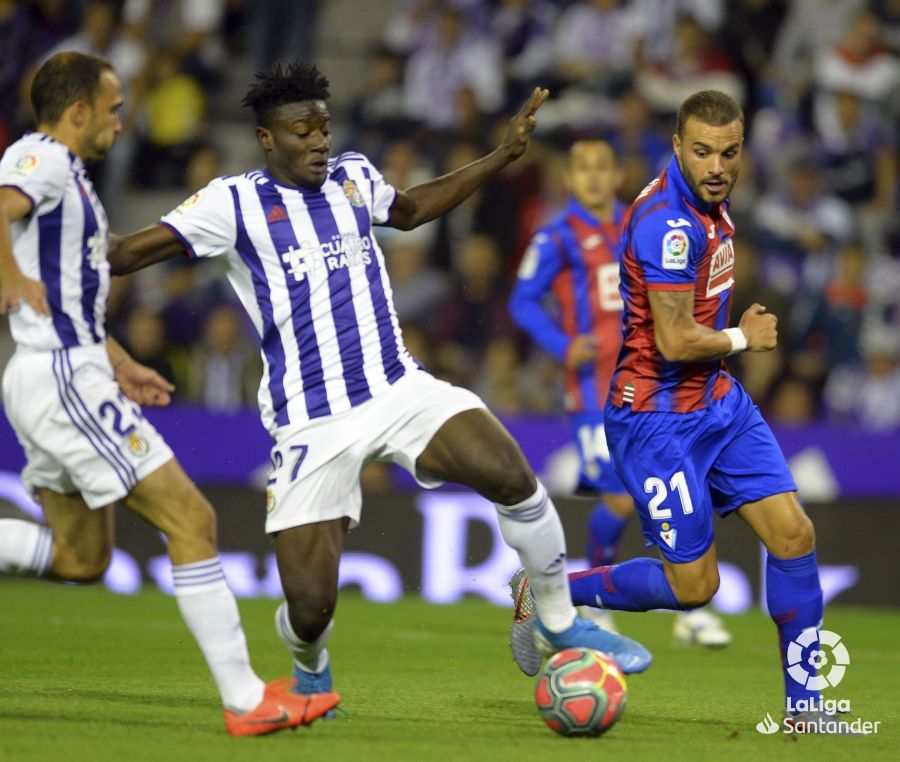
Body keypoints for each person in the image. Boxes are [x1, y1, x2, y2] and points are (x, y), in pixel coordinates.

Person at [107, 62, 653, 706]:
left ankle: (558, 620)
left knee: (509, 470)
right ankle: (309, 660)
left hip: (397, 389)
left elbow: (416, 207)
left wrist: (502, 155)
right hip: (312, 419)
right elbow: (123, 254)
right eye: (301, 130)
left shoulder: (354, 177)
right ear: (266, 140)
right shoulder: (231, 203)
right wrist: (49, 228)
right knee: (310, 608)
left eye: (323, 128)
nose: (318, 141)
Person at [0, 51, 338, 736]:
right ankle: (246, 699)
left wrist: (118, 360)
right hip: (62, 376)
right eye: (115, 107)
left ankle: (247, 695)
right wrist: (7, 274)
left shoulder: (72, 186)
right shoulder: (45, 159)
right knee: (191, 519)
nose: (125, 121)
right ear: (78, 112)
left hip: (65, 367)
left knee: (82, 559)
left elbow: (69, 292)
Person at [510, 91, 831, 730]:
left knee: (795, 535)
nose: (717, 166)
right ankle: (545, 593)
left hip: (717, 404)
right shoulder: (669, 223)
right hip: (654, 420)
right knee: (696, 589)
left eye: (729, 153)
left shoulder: (709, 201)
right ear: (678, 147)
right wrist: (745, 338)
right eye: (703, 152)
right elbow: (674, 339)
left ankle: (808, 710)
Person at [509, 139, 730, 650]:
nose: (591, 177)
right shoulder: (558, 236)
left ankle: (683, 608)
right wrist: (563, 345)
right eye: (581, 168)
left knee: (678, 487)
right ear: (568, 178)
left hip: (657, 385)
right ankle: (589, 601)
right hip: (593, 392)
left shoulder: (642, 222)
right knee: (621, 494)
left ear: (616, 175)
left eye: (601, 167)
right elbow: (522, 301)